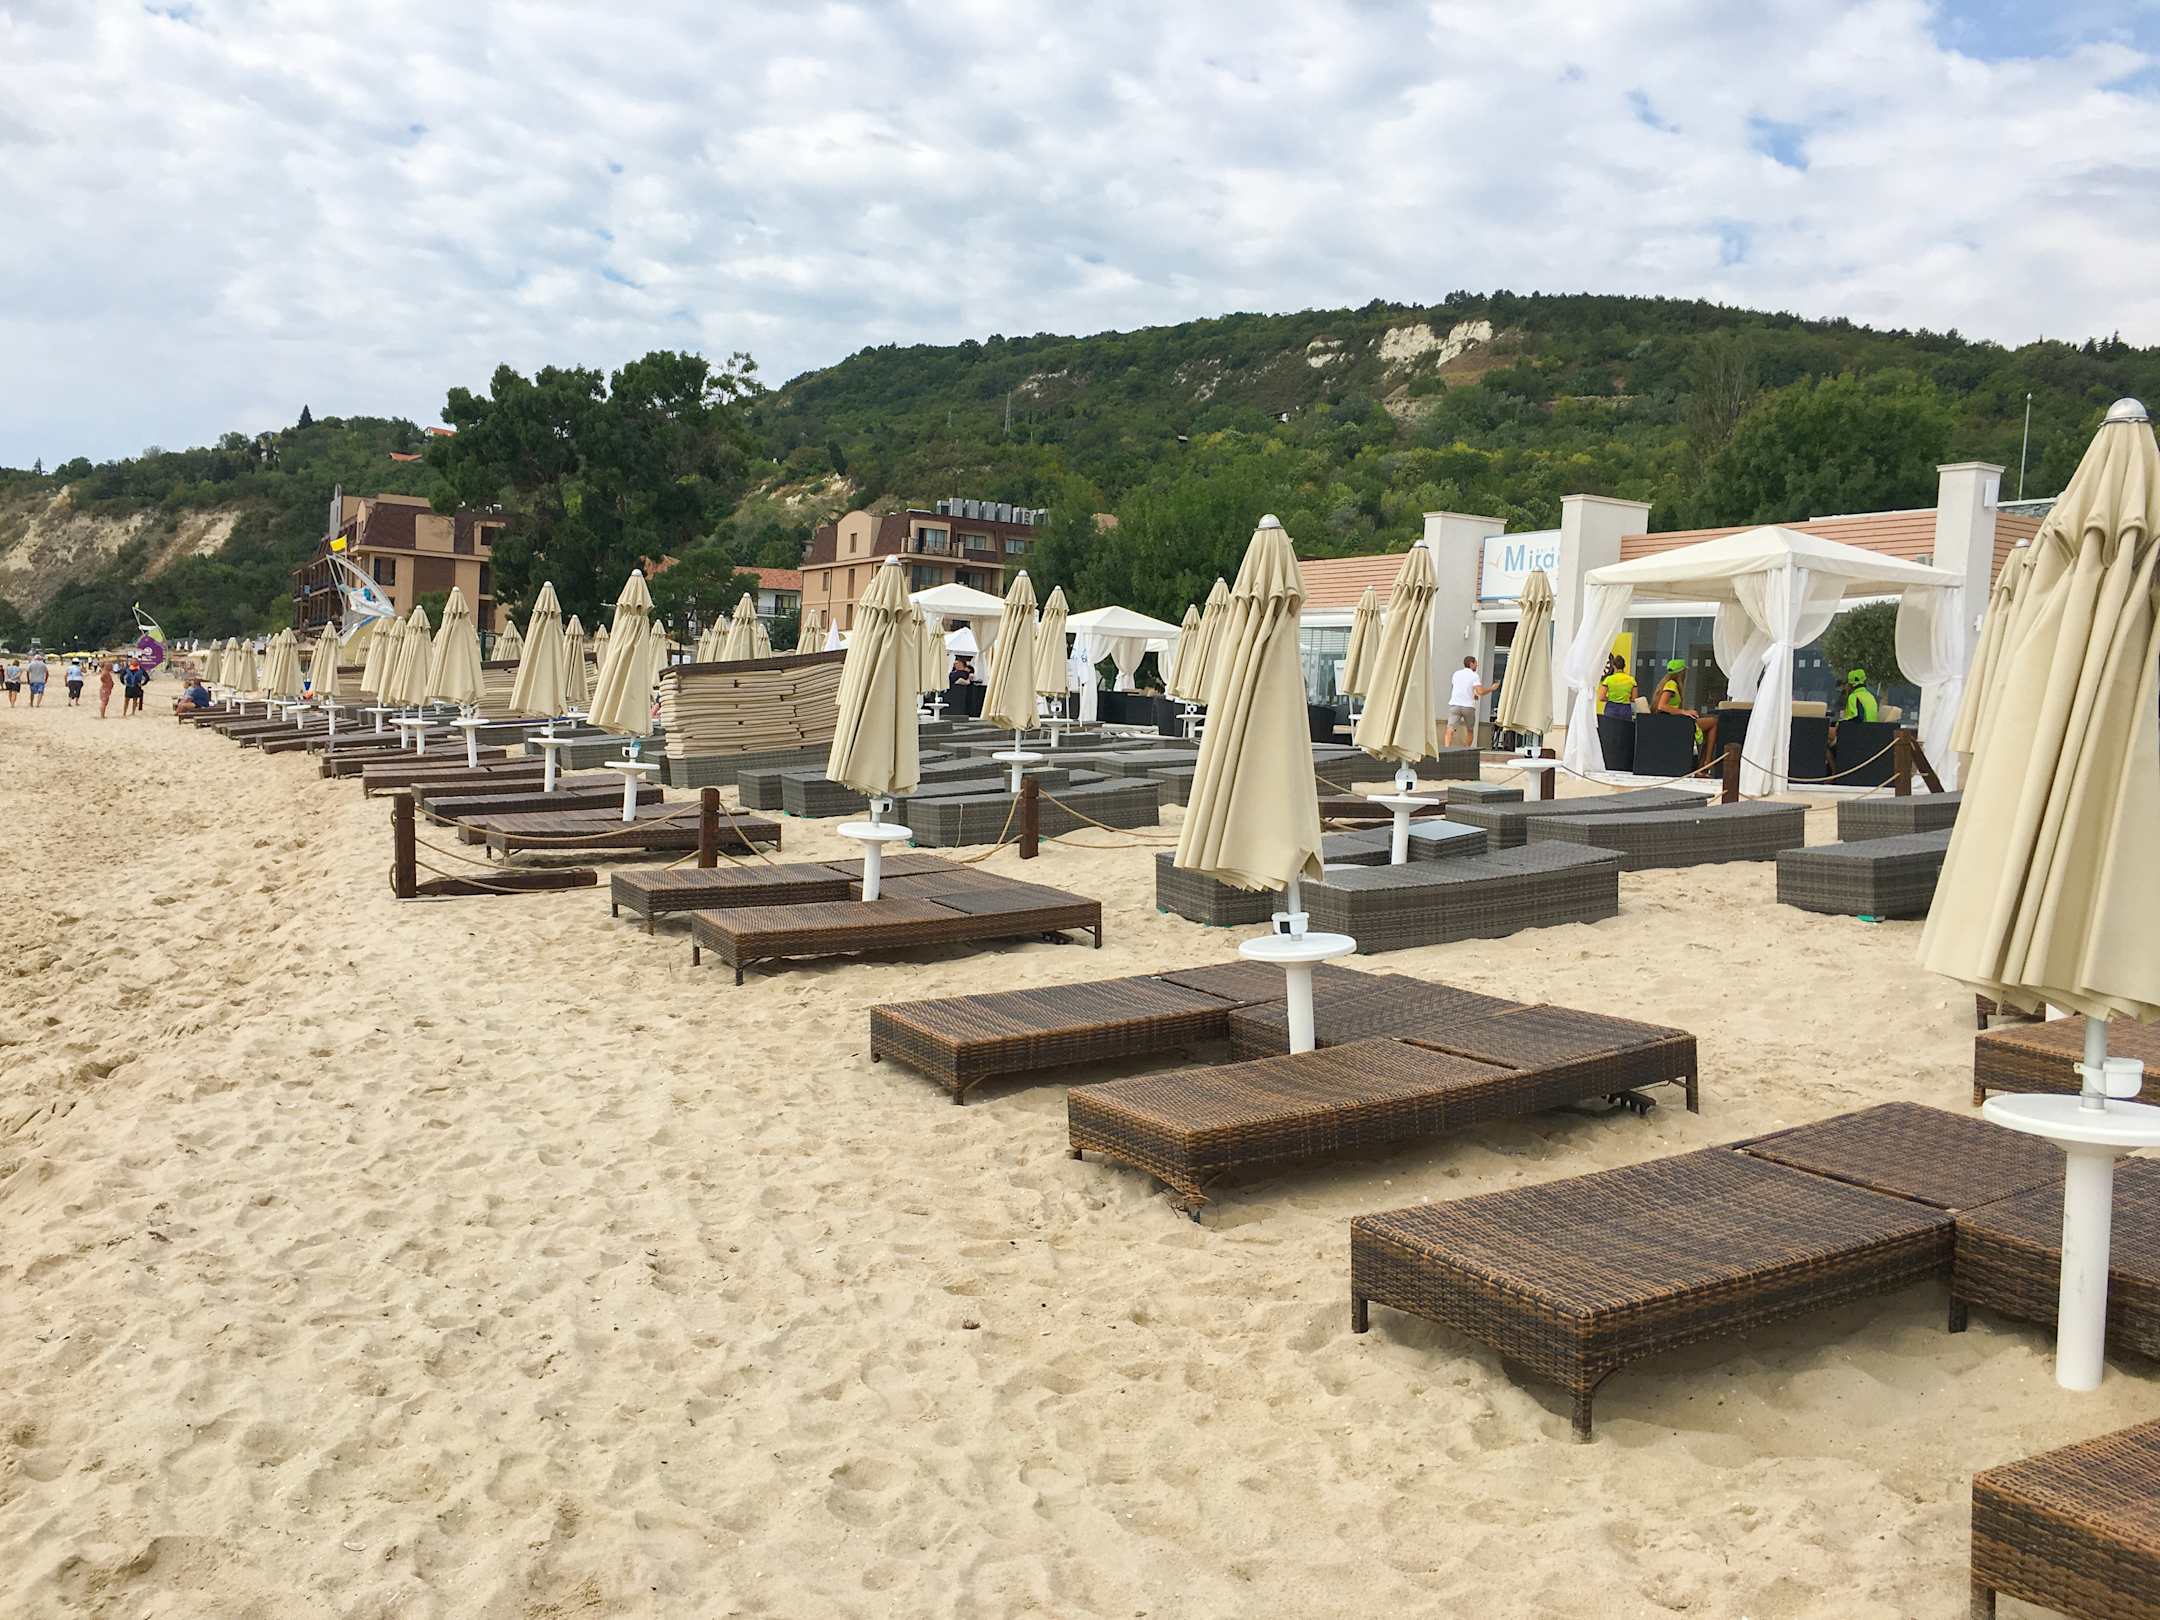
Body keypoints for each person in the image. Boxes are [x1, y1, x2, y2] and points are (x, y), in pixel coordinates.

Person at [1652, 657, 1718, 768]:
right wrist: (1683, 712)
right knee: (1714, 722)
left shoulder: (1667, 683)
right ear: (1682, 672)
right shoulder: (1672, 684)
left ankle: (1703, 763)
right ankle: (1706, 763)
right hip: (1674, 723)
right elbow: (1662, 706)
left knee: (1708, 724)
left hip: (1672, 721)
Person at [1446, 655, 1492, 749]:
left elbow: (1456, 687)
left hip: (1455, 704)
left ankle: (1446, 749)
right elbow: (1480, 692)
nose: (1477, 666)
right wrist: (1491, 688)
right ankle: (1466, 749)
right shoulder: (1474, 675)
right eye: (1476, 664)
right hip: (1468, 706)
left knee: (1450, 728)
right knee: (1470, 730)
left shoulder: (1456, 674)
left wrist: (1472, 694)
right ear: (1471, 664)